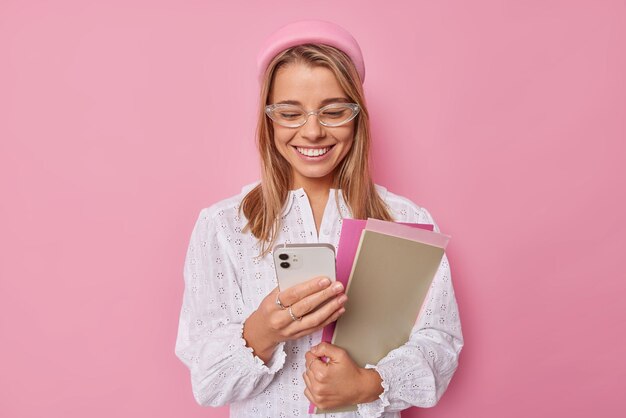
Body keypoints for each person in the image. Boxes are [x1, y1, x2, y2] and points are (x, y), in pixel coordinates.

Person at [175, 20, 463, 418]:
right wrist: (264, 329)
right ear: (269, 118)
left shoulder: (406, 220)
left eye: (332, 111)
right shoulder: (223, 225)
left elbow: (440, 341)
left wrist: (367, 385)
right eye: (290, 113)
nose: (312, 132)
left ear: (357, 115)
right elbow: (207, 381)